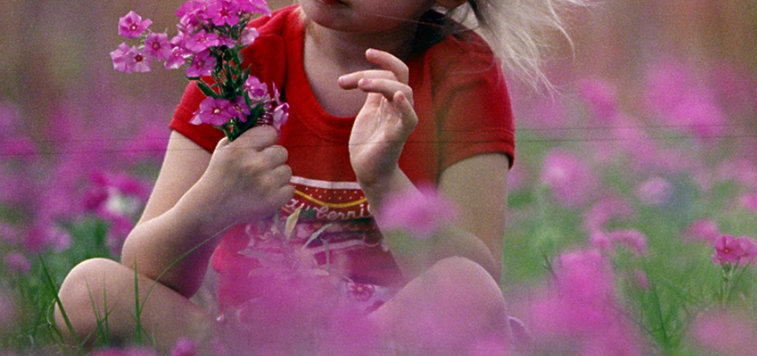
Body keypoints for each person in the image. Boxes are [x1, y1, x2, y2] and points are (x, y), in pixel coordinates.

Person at [57, 0, 577, 351]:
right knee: (89, 290)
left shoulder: (464, 72)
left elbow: (477, 273)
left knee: (467, 292)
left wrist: (384, 185)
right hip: (245, 336)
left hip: (382, 338)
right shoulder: (237, 56)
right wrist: (209, 205)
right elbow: (148, 269)